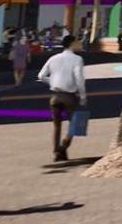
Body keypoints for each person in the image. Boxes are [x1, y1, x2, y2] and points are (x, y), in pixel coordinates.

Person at [37, 34, 87, 162]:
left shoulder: (53, 58)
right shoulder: (77, 59)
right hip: (69, 95)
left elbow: (41, 75)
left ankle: (56, 152)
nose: (79, 43)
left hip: (55, 95)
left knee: (56, 126)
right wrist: (83, 95)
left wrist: (53, 81)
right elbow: (79, 79)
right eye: (77, 41)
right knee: (75, 123)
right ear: (71, 44)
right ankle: (64, 145)